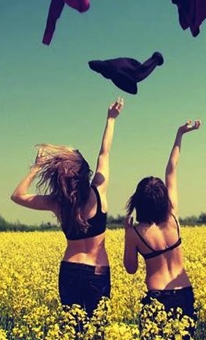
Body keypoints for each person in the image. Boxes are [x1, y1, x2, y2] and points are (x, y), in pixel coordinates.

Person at [11, 97, 124, 318]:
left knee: (70, 329)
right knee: (97, 330)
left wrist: (36, 168)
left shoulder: (58, 203)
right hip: (97, 270)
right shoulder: (97, 193)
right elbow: (104, 153)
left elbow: (18, 196)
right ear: (84, 173)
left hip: (69, 269)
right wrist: (111, 119)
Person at [123, 120, 201, 336]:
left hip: (157, 296)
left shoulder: (136, 233)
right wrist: (180, 134)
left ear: (139, 202)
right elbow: (172, 170)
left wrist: (127, 234)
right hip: (184, 291)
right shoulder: (173, 218)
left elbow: (130, 268)